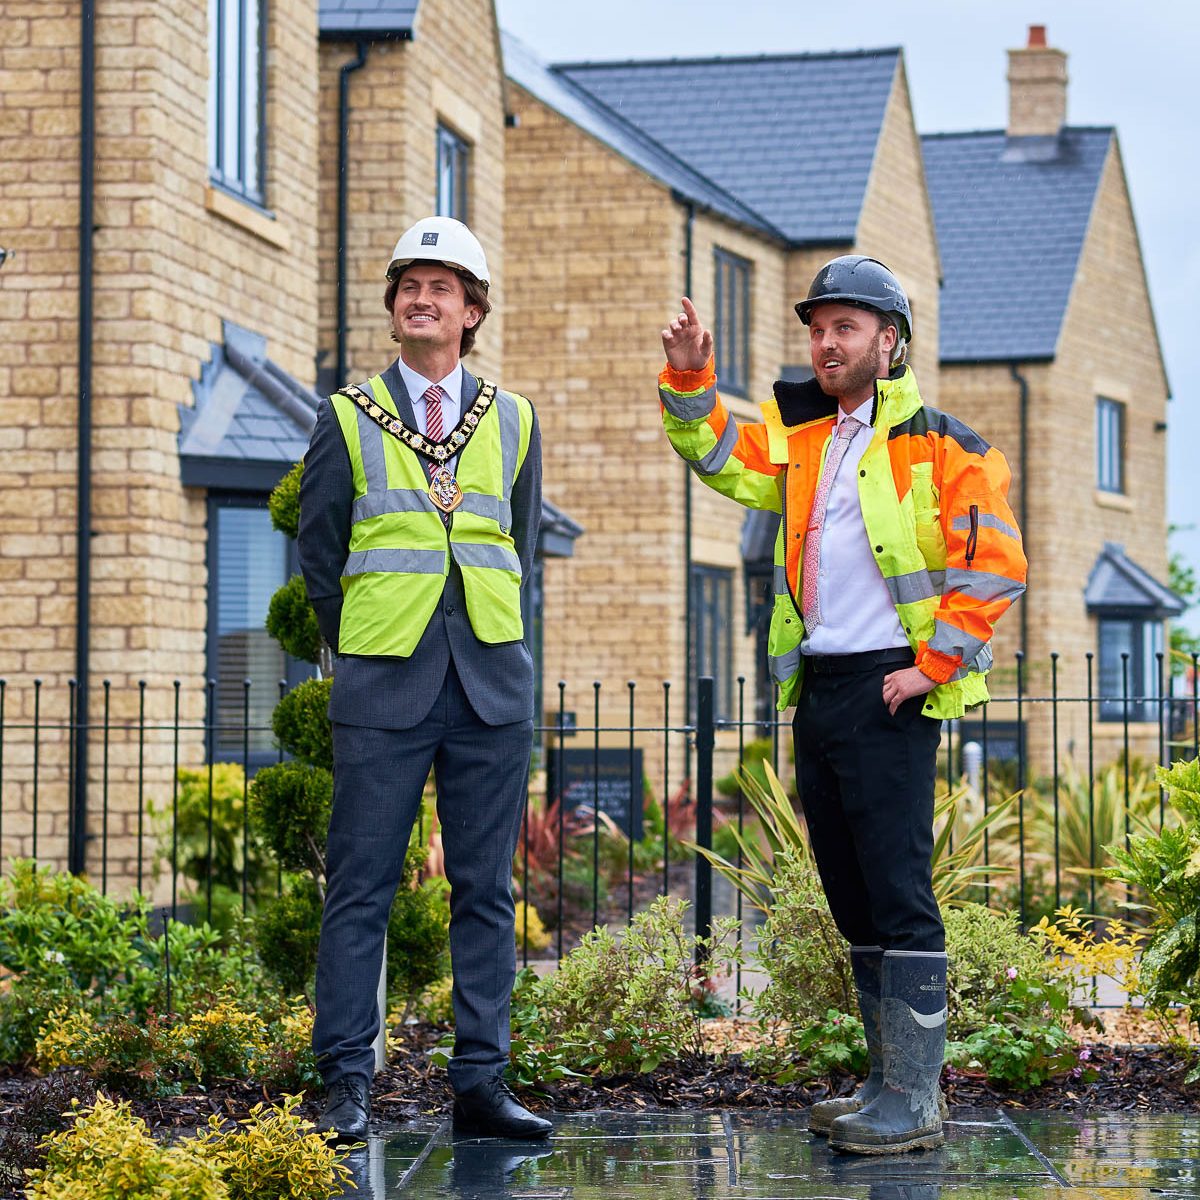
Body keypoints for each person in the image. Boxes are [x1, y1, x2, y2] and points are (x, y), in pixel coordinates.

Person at [658, 256, 1026, 1155]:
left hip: (891, 689)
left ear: (889, 342)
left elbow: (998, 565)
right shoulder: (805, 441)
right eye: (818, 327)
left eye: (846, 327)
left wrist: (931, 666)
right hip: (819, 690)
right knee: (849, 892)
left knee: (898, 892)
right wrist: (691, 375)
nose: (826, 341)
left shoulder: (948, 447)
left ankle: (918, 1098)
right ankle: (885, 1083)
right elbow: (714, 454)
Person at [298, 215, 551, 1144]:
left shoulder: (514, 418)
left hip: (489, 685)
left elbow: (519, 553)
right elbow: (320, 556)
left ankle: (481, 1084)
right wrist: (362, 647)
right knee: (359, 887)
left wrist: (506, 655)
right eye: (409, 284)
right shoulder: (346, 416)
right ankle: (345, 1085)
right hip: (384, 684)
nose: (421, 297)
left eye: (441, 285)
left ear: (472, 309)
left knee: (484, 892)